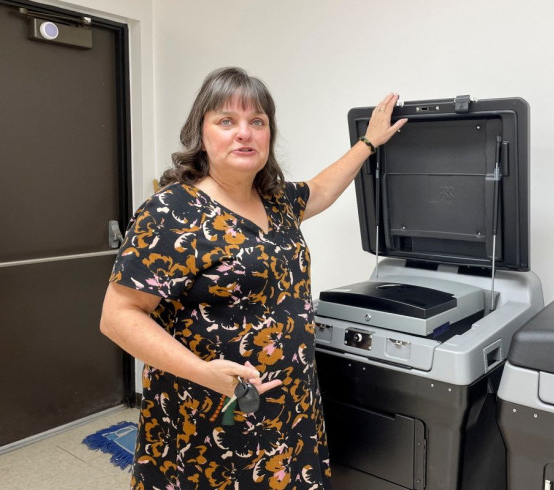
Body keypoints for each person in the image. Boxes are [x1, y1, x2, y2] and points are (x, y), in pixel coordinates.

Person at [100, 66, 407, 489]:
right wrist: (203, 372)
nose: (244, 132)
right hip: (207, 409)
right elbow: (119, 316)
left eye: (257, 122)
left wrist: (369, 143)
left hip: (290, 404)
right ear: (201, 134)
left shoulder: (277, 200)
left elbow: (320, 188)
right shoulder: (172, 212)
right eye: (226, 121)